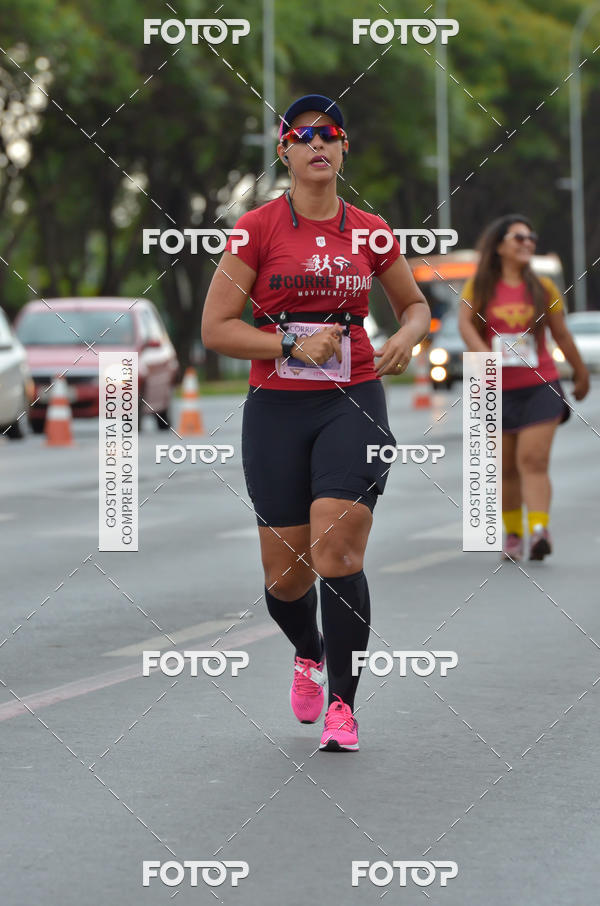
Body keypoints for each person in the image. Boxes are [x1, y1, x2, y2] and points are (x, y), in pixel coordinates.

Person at [202, 94, 430, 751]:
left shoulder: (370, 229)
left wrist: (408, 336)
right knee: (286, 579)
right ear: (285, 152)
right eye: (302, 137)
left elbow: (414, 305)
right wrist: (288, 346)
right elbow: (215, 328)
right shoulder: (256, 229)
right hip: (276, 406)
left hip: (352, 400)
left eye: (328, 133)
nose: (316, 144)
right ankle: (308, 647)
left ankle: (342, 705)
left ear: (344, 146)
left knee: (338, 549)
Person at [458, 214, 590, 561]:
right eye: (519, 238)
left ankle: (539, 530)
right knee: (506, 467)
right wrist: (483, 354)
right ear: (500, 245)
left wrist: (580, 372)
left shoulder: (543, 287)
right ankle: (514, 533)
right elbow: (465, 325)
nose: (527, 243)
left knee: (533, 459)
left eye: (531, 238)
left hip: (540, 384)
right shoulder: (480, 287)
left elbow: (560, 334)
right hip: (494, 389)